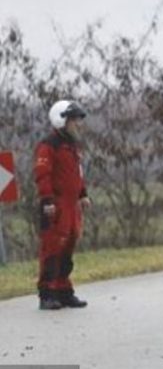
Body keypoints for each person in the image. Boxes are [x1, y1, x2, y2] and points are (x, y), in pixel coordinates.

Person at [34, 100, 91, 310]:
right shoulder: (48, 146)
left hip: (71, 205)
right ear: (61, 120)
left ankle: (64, 290)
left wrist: (83, 194)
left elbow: (78, 174)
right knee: (52, 248)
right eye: (73, 119)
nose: (77, 124)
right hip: (55, 205)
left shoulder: (71, 146)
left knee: (68, 246)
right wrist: (47, 200)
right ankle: (47, 293)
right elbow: (42, 175)